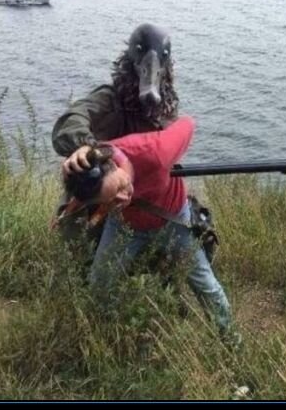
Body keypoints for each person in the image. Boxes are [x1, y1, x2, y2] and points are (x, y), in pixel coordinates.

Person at [58, 116, 236, 340]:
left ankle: (230, 341)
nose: (123, 197)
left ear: (113, 164)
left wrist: (163, 126)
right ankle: (105, 338)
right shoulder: (90, 182)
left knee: (206, 285)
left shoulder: (155, 152)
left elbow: (188, 123)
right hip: (124, 225)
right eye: (111, 200)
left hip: (174, 220)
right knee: (99, 283)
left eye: (120, 186)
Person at [52, 22, 179, 250]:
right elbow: (73, 118)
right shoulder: (110, 99)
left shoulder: (166, 110)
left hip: (144, 204)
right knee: (80, 252)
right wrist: (88, 148)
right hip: (102, 197)